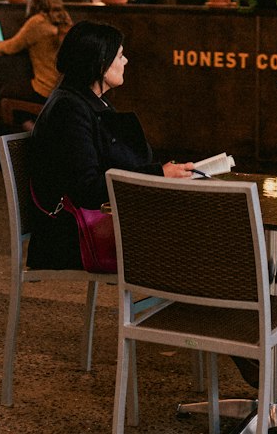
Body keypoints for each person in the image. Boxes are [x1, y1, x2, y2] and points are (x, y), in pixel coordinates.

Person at [27, 22, 195, 268]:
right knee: (196, 236)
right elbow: (89, 188)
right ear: (100, 63)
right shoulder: (70, 109)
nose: (125, 61)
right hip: (71, 238)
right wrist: (158, 173)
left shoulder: (87, 101)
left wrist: (161, 173)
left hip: (93, 225)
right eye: (120, 55)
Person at [0, 0, 70, 103]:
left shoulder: (37, 22)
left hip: (45, 89)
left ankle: (30, 122)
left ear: (35, 0)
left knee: (4, 91)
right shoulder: (65, 19)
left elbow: (12, 46)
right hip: (63, 89)